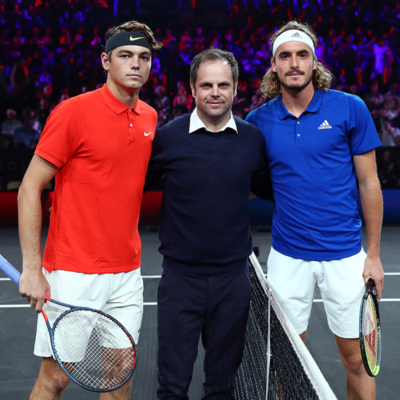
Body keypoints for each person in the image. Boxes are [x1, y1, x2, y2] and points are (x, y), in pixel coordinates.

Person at [17, 20, 162, 400]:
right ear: (105, 60)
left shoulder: (149, 117)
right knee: (55, 380)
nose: (136, 64)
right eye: (125, 55)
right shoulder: (72, 113)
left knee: (119, 380)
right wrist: (33, 269)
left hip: (128, 273)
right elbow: (30, 188)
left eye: (144, 57)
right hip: (72, 272)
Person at [246, 21, 384, 400]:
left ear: (314, 61)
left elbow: (369, 183)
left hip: (345, 258)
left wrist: (373, 255)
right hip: (288, 258)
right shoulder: (258, 121)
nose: (294, 63)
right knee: (288, 361)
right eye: (285, 56)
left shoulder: (349, 108)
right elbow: (244, 183)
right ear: (274, 65)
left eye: (301, 54)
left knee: (356, 360)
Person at [146, 48, 271, 400]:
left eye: (222, 85)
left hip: (233, 283)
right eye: (206, 85)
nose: (214, 92)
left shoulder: (252, 139)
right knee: (171, 389)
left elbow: (262, 186)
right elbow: (135, 185)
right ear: (192, 88)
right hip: (179, 282)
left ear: (235, 89)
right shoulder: (168, 137)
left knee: (222, 389)